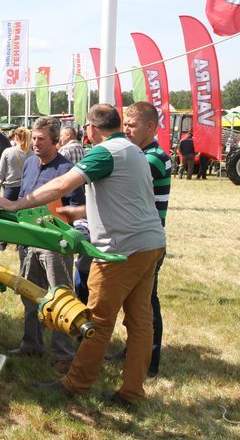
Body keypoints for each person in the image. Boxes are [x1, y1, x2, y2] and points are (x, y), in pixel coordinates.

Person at [0, 104, 165, 405]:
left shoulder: (104, 152)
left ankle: (75, 384)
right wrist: (81, 211)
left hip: (120, 251)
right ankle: (133, 391)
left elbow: (61, 184)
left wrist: (15, 204)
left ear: (92, 129)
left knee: (96, 319)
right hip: (150, 244)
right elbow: (129, 199)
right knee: (140, 322)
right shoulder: (135, 150)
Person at [6, 117, 85, 376]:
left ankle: (64, 354)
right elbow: (20, 197)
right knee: (30, 292)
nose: (36, 143)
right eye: (34, 138)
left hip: (53, 244)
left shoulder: (67, 170)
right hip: (28, 240)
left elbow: (76, 210)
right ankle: (32, 344)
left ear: (55, 141)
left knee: (60, 295)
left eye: (41, 139)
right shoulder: (29, 164)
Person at [120, 101, 171, 377]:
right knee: (135, 301)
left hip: (148, 242)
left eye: (132, 125)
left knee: (148, 301)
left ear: (150, 127)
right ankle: (133, 350)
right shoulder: (141, 154)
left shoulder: (152, 158)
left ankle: (150, 360)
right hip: (138, 239)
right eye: (125, 124)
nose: (126, 130)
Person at [57, 126, 91, 303]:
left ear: (68, 135)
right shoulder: (83, 149)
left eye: (62, 135)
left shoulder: (65, 151)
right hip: (81, 196)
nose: (60, 139)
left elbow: (62, 182)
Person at [0, 127, 31, 201]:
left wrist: (1, 183)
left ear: (16, 137)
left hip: (11, 188)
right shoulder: (33, 154)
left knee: (8, 211)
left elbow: (1, 171)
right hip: (27, 189)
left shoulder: (8, 152)